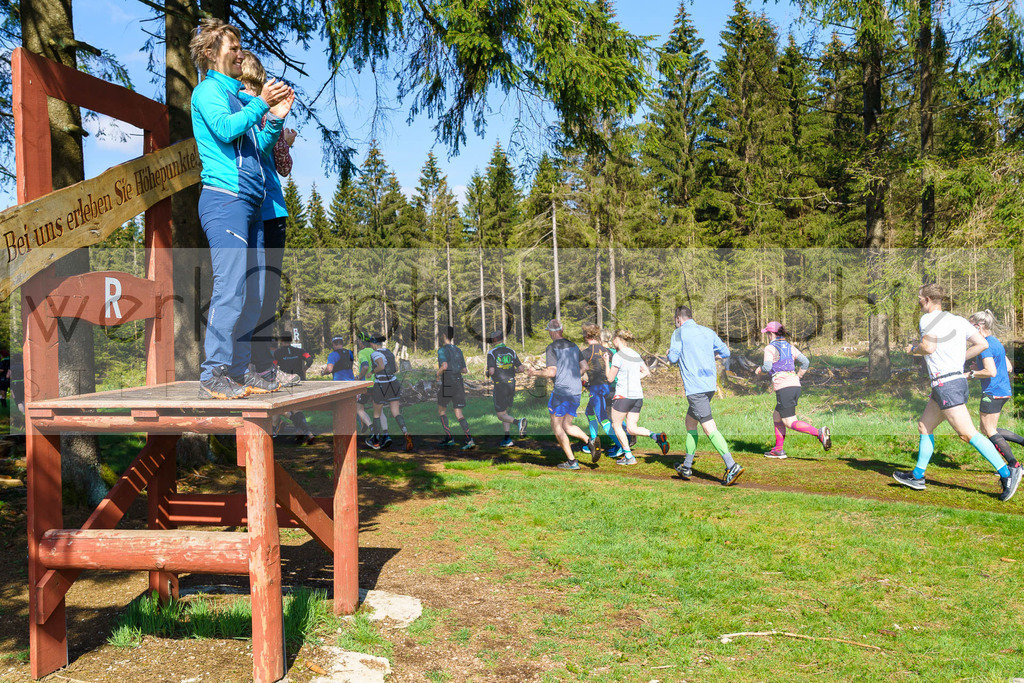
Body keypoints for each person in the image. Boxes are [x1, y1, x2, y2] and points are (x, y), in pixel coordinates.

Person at [189, 18, 294, 399]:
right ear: (211, 53)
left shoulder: (240, 95)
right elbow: (224, 129)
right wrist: (262, 103)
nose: (239, 53)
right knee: (230, 290)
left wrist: (275, 119)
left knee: (254, 292)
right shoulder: (207, 91)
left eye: (238, 47)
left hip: (252, 203)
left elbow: (259, 147)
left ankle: (239, 369)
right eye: (232, 47)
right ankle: (212, 372)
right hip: (224, 199)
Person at [893, 284, 1021, 501]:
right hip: (951, 382)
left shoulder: (927, 319)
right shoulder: (958, 320)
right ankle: (917, 476)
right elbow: (981, 343)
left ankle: (1008, 473)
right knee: (925, 425)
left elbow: (929, 348)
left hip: (946, 384)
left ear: (927, 300)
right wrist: (959, 359)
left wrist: (913, 349)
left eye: (919, 298)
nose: (918, 302)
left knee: (967, 433)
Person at [239, 51, 300, 388]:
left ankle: (260, 365)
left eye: (254, 88)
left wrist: (283, 142)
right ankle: (251, 365)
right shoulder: (250, 112)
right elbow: (275, 161)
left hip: (267, 210)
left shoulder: (258, 114)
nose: (252, 94)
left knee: (265, 293)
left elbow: (280, 164)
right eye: (249, 88)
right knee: (256, 292)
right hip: (256, 211)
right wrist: (283, 141)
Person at [666, 306, 744, 486]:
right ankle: (686, 466)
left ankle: (731, 465)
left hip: (695, 388)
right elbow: (725, 353)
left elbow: (673, 359)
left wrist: (670, 353)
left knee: (709, 427)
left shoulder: (678, 333)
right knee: (690, 422)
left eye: (675, 319)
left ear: (678, 318)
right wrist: (708, 355)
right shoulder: (708, 332)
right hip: (709, 386)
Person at [964, 309, 1023, 501]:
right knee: (992, 429)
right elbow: (1007, 367)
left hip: (992, 393)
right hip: (1003, 391)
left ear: (979, 326)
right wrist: (979, 368)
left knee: (988, 431)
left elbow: (990, 371)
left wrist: (970, 374)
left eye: (971, 326)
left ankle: (1014, 466)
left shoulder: (985, 345)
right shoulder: (996, 342)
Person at [754, 321, 832, 459]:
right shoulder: (790, 347)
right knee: (777, 416)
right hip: (795, 386)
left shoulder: (769, 348)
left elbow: (766, 367)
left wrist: (759, 370)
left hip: (784, 388)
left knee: (790, 422)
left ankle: (818, 433)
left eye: (767, 333)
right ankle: (778, 449)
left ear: (771, 334)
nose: (767, 336)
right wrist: (798, 376)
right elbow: (805, 362)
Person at [527, 319, 593, 470]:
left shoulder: (551, 348)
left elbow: (551, 372)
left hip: (561, 391)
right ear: (562, 330)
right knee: (567, 425)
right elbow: (585, 367)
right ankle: (589, 441)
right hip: (576, 390)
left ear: (551, 332)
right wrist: (574, 377)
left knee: (556, 425)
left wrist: (534, 372)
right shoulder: (573, 345)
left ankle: (571, 461)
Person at [605, 329, 669, 466]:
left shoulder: (618, 355)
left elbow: (610, 378)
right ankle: (655, 436)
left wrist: (606, 362)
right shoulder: (635, 354)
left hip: (623, 396)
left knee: (616, 425)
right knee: (631, 428)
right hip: (637, 396)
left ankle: (628, 456)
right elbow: (646, 372)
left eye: (613, 340)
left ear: (617, 339)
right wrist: (633, 379)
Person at [580, 324, 622, 461]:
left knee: (603, 418)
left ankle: (620, 444)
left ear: (587, 336)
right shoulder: (607, 350)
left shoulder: (586, 352)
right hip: (608, 387)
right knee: (589, 412)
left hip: (597, 389)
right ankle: (593, 441)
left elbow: (580, 369)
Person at [367, 334, 413, 452]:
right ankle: (406, 433)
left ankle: (376, 442)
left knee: (376, 413)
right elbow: (396, 368)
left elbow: (381, 366)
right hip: (393, 383)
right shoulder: (389, 352)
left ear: (373, 344)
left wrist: (372, 372)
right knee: (395, 412)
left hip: (382, 384)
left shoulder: (375, 353)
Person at [485, 330, 528, 447]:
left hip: (500, 385)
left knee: (500, 415)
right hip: (511, 384)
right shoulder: (511, 351)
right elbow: (521, 369)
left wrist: (487, 373)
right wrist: (509, 370)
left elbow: (492, 371)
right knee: (505, 412)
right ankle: (507, 439)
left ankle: (518, 422)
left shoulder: (492, 353)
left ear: (494, 340)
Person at [269, 340, 315, 444]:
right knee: (284, 410)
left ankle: (306, 432)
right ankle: (302, 431)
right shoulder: (300, 351)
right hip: (300, 382)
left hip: (286, 384)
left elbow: (273, 367)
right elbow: (309, 359)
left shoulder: (277, 353)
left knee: (285, 409)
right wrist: (305, 369)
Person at [436, 327, 475, 450]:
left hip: (448, 382)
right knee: (458, 412)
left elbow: (445, 366)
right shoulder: (458, 350)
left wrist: (437, 374)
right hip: (459, 382)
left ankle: (449, 438)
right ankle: (469, 439)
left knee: (442, 410)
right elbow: (464, 370)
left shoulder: (442, 350)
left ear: (443, 335)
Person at [355, 332, 378, 438]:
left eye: (358, 341)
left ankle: (371, 427)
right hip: (376, 383)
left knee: (359, 408)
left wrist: (359, 378)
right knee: (377, 409)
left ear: (362, 342)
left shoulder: (362, 352)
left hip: (366, 385)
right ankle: (382, 431)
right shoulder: (373, 351)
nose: (357, 343)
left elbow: (365, 367)